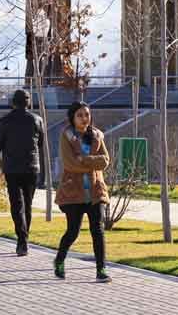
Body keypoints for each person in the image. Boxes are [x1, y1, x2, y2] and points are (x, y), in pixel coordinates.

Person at [54, 101, 111, 283]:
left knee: (98, 230)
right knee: (73, 231)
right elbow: (70, 163)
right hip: (74, 192)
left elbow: (105, 160)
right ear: (72, 117)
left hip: (95, 190)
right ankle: (60, 260)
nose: (84, 118)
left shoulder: (96, 135)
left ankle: (101, 269)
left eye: (87, 114)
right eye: (80, 115)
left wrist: (85, 159)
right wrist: (91, 163)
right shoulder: (67, 136)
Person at [0, 89, 45, 256]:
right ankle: (23, 240)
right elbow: (41, 144)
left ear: (13, 103)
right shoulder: (37, 120)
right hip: (31, 168)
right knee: (27, 204)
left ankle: (22, 240)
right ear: (28, 102)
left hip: (12, 169)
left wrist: (0, 162)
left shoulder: (5, 121)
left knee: (17, 205)